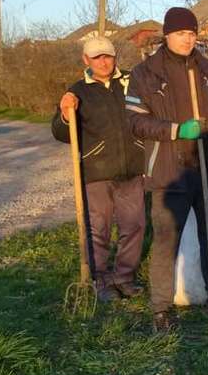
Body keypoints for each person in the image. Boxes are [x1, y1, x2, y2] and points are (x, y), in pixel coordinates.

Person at [126, 7, 208, 331]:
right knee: (166, 240)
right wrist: (177, 130)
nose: (187, 39)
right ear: (167, 35)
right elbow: (136, 122)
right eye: (181, 33)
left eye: (192, 33)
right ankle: (161, 310)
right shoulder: (145, 74)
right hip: (169, 171)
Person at [51, 36, 145, 302]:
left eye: (108, 56)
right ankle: (101, 281)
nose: (104, 62)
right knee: (99, 229)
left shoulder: (132, 83)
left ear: (115, 57)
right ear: (86, 60)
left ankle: (124, 278)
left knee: (134, 226)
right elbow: (60, 132)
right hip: (96, 172)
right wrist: (65, 115)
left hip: (132, 168)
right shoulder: (77, 91)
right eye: (97, 58)